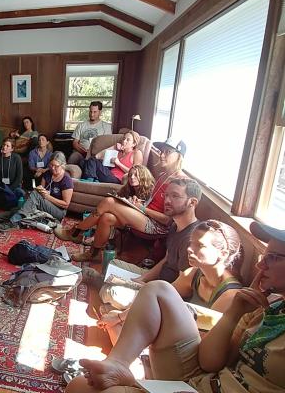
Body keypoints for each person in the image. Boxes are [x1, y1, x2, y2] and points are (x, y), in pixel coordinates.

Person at [67, 221, 285, 393]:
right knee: (157, 290)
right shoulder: (267, 308)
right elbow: (209, 362)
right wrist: (235, 313)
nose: (259, 265)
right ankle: (118, 363)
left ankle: (137, 375)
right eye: (264, 256)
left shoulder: (230, 291)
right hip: (205, 382)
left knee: (82, 388)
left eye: (272, 258)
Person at [98, 220, 244, 344]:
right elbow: (157, 297)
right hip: (176, 331)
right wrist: (120, 317)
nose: (189, 249)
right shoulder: (194, 273)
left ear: (223, 254)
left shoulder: (229, 296)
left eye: (199, 245)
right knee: (114, 317)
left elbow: (203, 343)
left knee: (117, 324)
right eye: (191, 243)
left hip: (190, 346)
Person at [55, 137, 188, 262]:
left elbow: (168, 220)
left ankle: (76, 231)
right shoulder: (163, 175)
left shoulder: (181, 183)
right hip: (145, 215)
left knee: (109, 202)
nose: (162, 155)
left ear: (179, 156)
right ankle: (94, 254)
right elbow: (153, 202)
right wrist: (139, 203)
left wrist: (142, 208)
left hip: (157, 226)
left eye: (168, 152)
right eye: (162, 151)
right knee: (107, 217)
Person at [0, 151, 73, 233]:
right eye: (51, 165)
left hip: (58, 211)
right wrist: (39, 192)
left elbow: (66, 205)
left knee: (31, 201)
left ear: (63, 165)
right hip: (45, 203)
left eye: (56, 166)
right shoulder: (48, 174)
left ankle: (12, 222)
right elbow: (41, 189)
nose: (53, 168)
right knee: (21, 209)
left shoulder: (66, 180)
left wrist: (47, 197)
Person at [79, 131, 143, 183]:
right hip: (109, 173)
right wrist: (114, 147)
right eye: (124, 138)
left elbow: (136, 173)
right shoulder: (118, 151)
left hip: (117, 179)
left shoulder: (136, 153)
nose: (124, 141)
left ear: (134, 144)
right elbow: (97, 156)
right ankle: (94, 178)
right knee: (83, 162)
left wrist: (119, 164)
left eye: (128, 140)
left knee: (91, 160)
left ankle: (89, 178)